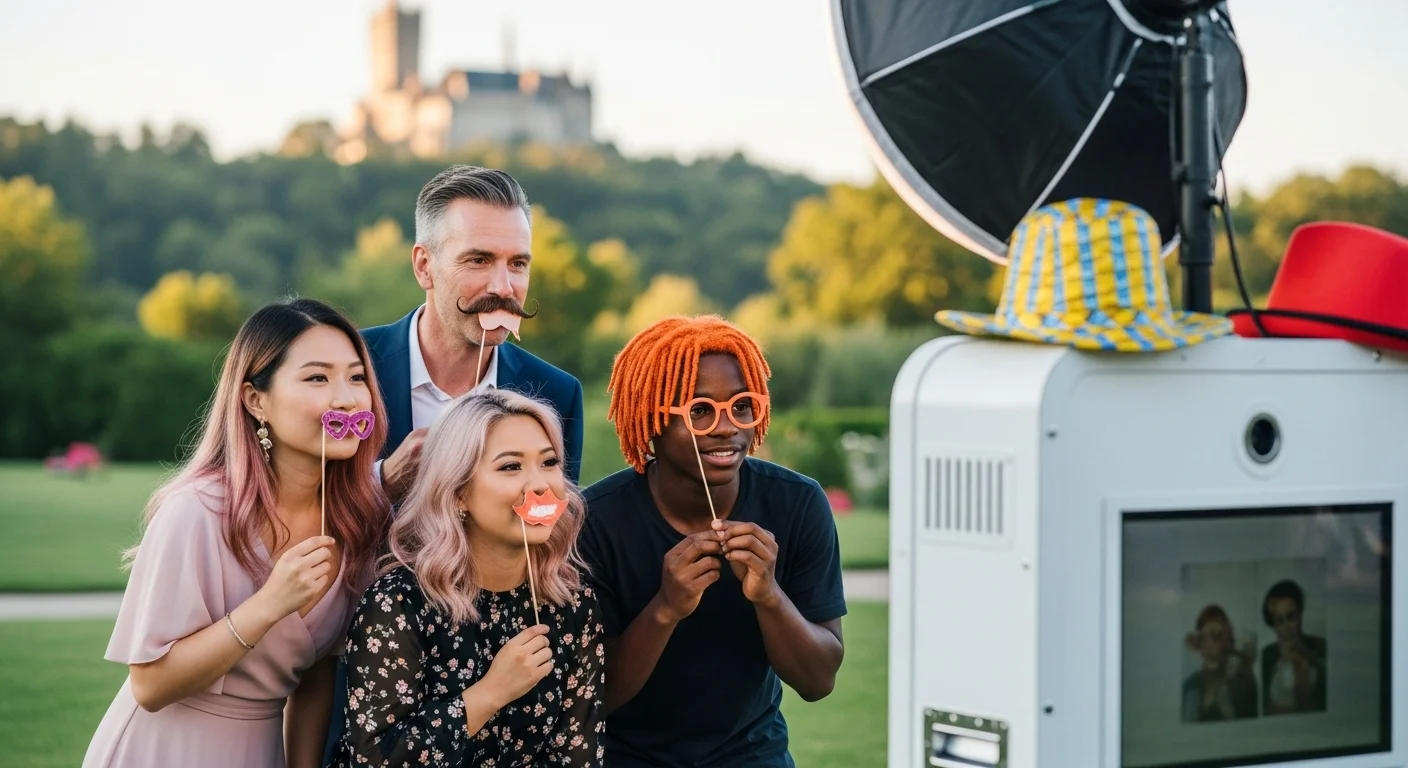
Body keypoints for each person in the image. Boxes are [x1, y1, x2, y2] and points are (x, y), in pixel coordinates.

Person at [326, 164, 586, 763]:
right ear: (424, 266)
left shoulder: (555, 393)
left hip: (505, 676)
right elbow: (298, 502)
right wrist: (384, 480)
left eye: (517, 264)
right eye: (478, 260)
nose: (503, 285)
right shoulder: (347, 370)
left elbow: (544, 531)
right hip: (358, 667)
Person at [83, 298, 392, 768]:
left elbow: (315, 676)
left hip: (259, 752)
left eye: (356, 377)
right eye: (317, 377)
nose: (347, 398)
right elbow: (149, 686)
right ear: (255, 400)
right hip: (162, 750)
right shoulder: (197, 511)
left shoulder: (357, 523)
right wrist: (269, 605)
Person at [578, 315, 847, 767]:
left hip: (752, 754)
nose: (726, 427)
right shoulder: (595, 521)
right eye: (699, 411)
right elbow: (593, 697)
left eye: (742, 405)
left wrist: (769, 596)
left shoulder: (798, 503)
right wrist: (665, 608)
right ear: (651, 419)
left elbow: (818, 682)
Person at [328, 389, 604, 767]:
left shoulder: (570, 601)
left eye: (549, 462)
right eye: (511, 467)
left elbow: (578, 754)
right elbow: (375, 758)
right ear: (458, 493)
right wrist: (490, 692)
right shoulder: (398, 603)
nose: (540, 485)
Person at [1260, 579, 1328, 715]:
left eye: (1291, 617)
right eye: (1279, 621)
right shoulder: (1266, 656)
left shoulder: (1321, 648)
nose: (1286, 627)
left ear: (1300, 614)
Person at [1181, 604, 1258, 722]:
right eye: (1204, 637)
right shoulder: (1191, 685)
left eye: (1216, 636)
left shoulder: (1242, 680)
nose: (1209, 643)